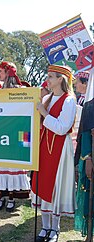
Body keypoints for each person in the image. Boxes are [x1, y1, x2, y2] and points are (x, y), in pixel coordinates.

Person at [31, 65, 77, 241]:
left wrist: (43, 112)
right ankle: (45, 226)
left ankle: (55, 229)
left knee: (56, 186)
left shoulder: (69, 100)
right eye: (48, 76)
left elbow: (62, 128)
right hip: (43, 147)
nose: (47, 79)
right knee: (42, 184)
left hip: (59, 149)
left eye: (51, 77)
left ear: (60, 79)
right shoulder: (48, 97)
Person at [0, 61, 31, 212]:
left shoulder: (21, 91)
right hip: (1, 134)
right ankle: (0, 196)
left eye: (1, 72)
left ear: (8, 73)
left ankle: (11, 198)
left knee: (12, 165)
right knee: (0, 165)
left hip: (15, 134)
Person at [74, 67, 94, 239]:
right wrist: (88, 158)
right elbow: (86, 135)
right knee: (90, 200)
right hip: (92, 160)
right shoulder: (90, 106)